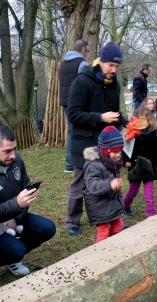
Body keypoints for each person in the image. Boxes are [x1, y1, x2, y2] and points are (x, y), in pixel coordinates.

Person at [0, 126, 56, 283]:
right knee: (17, 250)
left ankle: (10, 258)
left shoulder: (15, 160)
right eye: (7, 151)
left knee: (48, 228)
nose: (13, 155)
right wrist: (16, 205)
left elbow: (25, 187)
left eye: (14, 149)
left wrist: (17, 217)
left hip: (13, 216)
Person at [65, 41, 127, 236]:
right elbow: (73, 114)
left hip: (106, 145)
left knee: (109, 180)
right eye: (110, 65)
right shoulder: (82, 81)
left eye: (116, 66)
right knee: (80, 184)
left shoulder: (114, 85)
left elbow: (115, 112)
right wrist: (100, 117)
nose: (113, 70)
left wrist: (127, 122)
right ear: (101, 61)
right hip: (83, 143)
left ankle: (112, 217)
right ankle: (72, 221)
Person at [83, 126, 126, 243]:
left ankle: (109, 247)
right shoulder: (93, 165)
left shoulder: (111, 161)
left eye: (120, 151)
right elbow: (92, 185)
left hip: (110, 203)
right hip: (98, 206)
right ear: (106, 150)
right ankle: (99, 253)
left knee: (118, 226)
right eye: (115, 152)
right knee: (104, 231)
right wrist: (110, 184)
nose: (118, 154)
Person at [122, 106, 157, 217]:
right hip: (135, 167)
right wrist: (125, 161)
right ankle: (125, 206)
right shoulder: (131, 135)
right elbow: (125, 150)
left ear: (149, 120)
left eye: (144, 119)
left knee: (149, 194)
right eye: (139, 119)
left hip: (149, 167)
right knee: (132, 191)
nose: (141, 121)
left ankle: (151, 214)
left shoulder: (152, 135)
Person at [59, 39, 89, 173]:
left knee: (73, 129)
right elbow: (84, 84)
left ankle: (73, 161)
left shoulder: (64, 63)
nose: (87, 53)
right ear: (83, 50)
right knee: (75, 130)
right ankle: (70, 163)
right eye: (87, 51)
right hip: (77, 102)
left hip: (65, 101)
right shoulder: (81, 63)